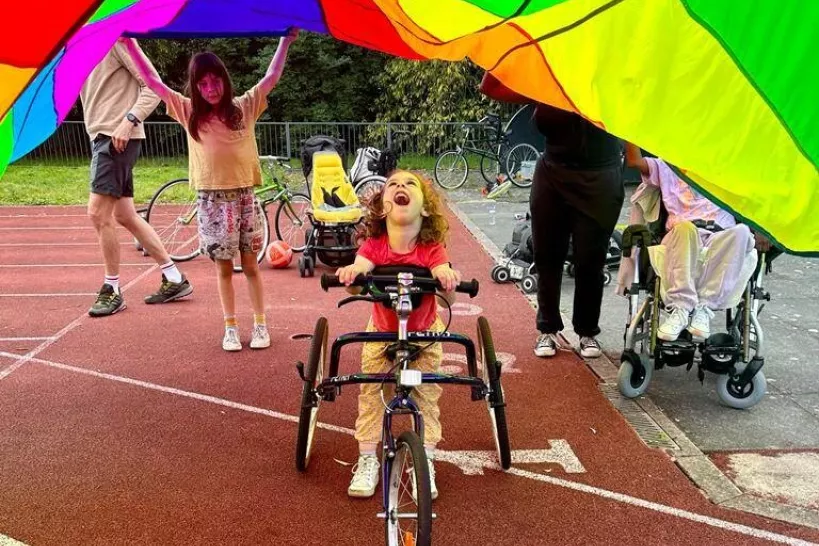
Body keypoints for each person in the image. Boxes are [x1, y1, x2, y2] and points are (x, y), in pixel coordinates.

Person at [122, 30, 298, 351]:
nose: (210, 88)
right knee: (224, 268)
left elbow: (272, 76)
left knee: (251, 266)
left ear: (224, 80)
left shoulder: (244, 106)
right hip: (212, 201)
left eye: (215, 80)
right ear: (196, 88)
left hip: (244, 197)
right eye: (202, 84)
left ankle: (260, 324)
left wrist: (285, 40)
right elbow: (154, 81)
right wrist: (129, 43)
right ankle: (230, 327)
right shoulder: (189, 111)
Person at [336, 170, 462, 501]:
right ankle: (367, 459)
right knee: (371, 389)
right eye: (393, 184)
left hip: (424, 331)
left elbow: (440, 270)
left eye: (410, 185)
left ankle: (426, 463)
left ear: (424, 208)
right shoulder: (375, 246)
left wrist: (446, 276)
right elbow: (361, 268)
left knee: (426, 393)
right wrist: (352, 272)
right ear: (382, 207)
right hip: (381, 331)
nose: (401, 187)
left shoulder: (431, 248)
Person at [480, 73, 624, 359]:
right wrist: (511, 42)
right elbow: (491, 86)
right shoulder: (550, 73)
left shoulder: (611, 76)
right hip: (552, 175)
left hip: (600, 179)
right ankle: (547, 330)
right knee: (547, 256)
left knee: (590, 260)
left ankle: (587, 332)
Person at [80, 40, 193, 318]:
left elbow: (154, 87)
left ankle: (112, 289)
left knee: (98, 213)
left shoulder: (118, 39)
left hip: (116, 136)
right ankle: (174, 277)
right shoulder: (78, 47)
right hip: (103, 137)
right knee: (125, 215)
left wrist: (128, 121)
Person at [623, 142, 763, 340]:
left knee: (741, 232)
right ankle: (681, 308)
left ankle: (703, 309)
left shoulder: (729, 170)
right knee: (685, 229)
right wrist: (630, 129)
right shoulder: (668, 167)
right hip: (683, 234)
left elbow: (762, 193)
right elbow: (634, 161)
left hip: (720, 235)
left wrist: (764, 231)